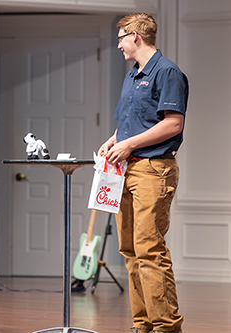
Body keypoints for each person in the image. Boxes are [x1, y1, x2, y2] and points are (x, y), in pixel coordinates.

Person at [98, 13, 188, 333]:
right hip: (127, 168)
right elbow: (127, 122)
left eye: (121, 37)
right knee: (130, 249)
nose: (118, 44)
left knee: (150, 247)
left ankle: (166, 325)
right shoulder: (132, 75)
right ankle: (143, 323)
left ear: (136, 36)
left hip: (153, 169)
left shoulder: (167, 72)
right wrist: (112, 142)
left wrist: (130, 144)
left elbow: (172, 123)